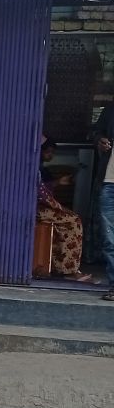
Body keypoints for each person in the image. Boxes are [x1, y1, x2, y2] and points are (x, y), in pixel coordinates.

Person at [36, 138, 88, 280]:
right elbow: (40, 194)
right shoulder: (34, 167)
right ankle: (69, 270)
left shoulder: (40, 168)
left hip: (38, 207)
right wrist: (58, 207)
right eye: (47, 152)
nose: (49, 155)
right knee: (74, 221)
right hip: (36, 209)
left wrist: (57, 183)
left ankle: (59, 267)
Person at [92, 107, 114, 300]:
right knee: (109, 238)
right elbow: (96, 133)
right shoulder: (110, 111)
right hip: (110, 182)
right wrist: (100, 141)